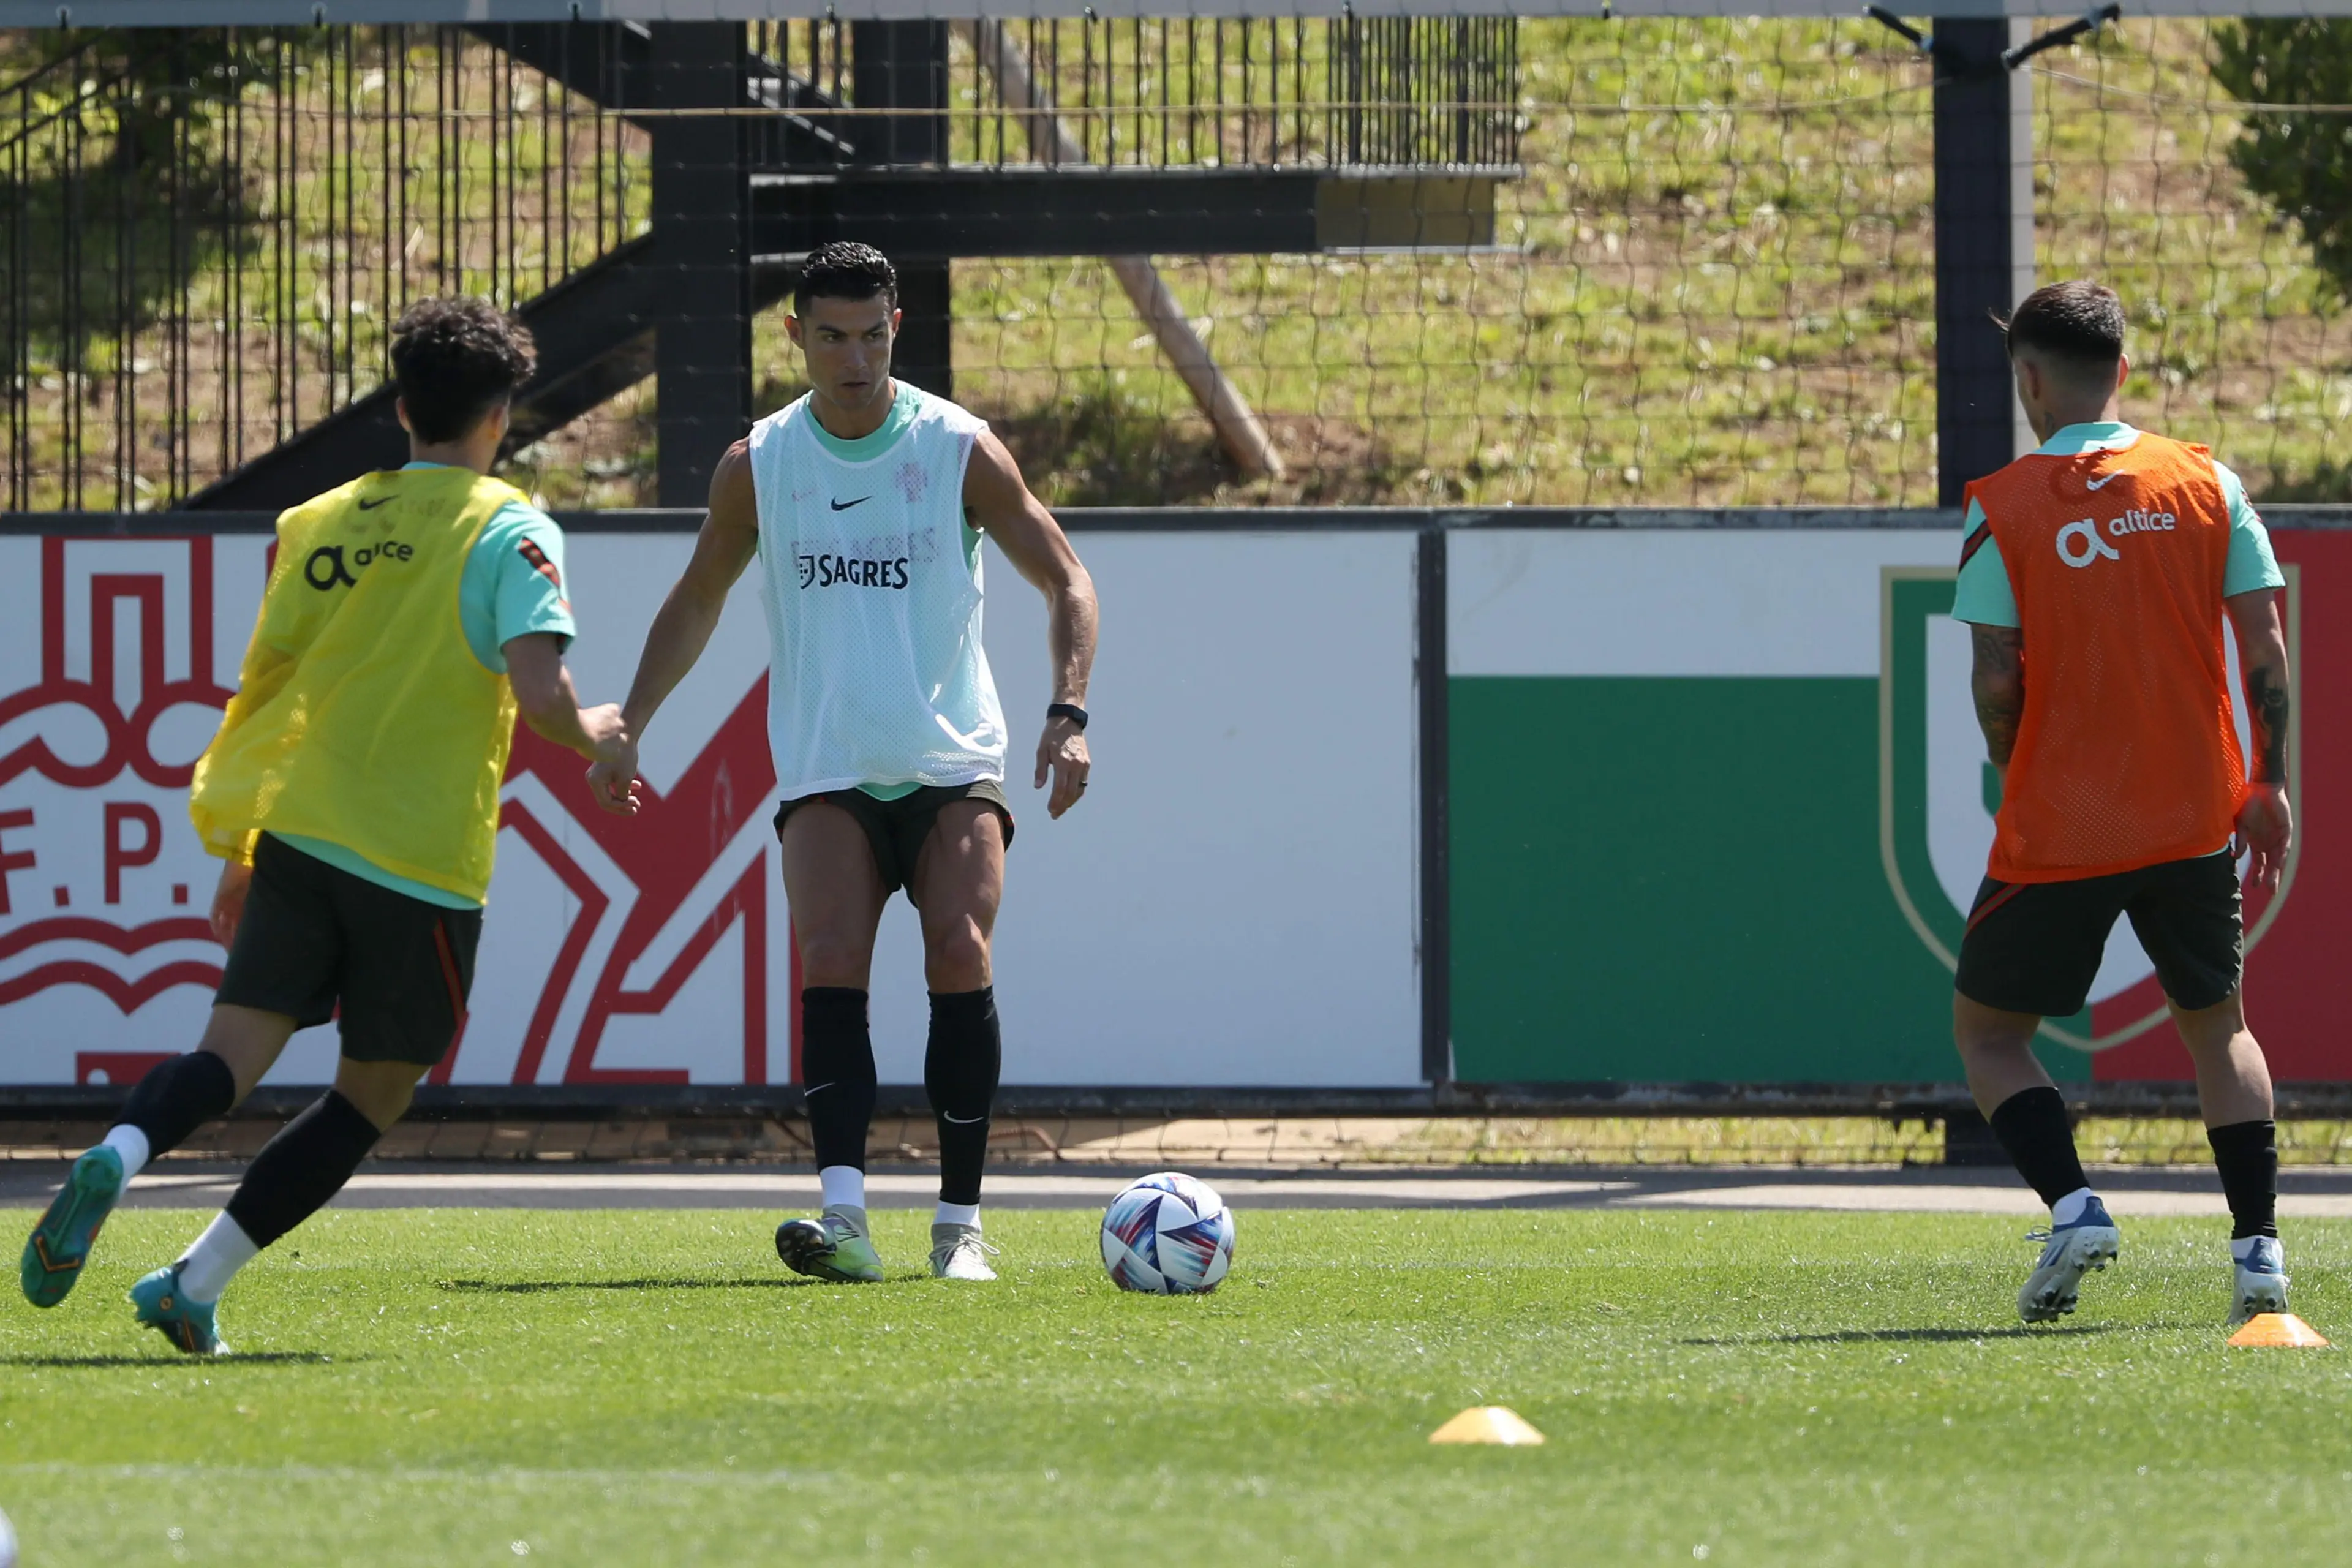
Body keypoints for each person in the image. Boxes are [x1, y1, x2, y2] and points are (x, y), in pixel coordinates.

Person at [20, 298, 635, 1354]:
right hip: (421, 859)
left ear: (401, 407)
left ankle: (123, 1150)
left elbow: (266, 694)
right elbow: (540, 699)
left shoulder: (316, 525)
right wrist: (601, 737)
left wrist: (240, 848)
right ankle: (195, 1279)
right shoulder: (509, 526)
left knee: (227, 1056)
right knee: (371, 1094)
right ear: (503, 418)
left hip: (299, 833)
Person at [590, 241, 1097, 1284]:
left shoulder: (957, 449)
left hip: (949, 756)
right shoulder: (760, 465)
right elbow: (697, 600)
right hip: (825, 764)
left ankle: (960, 1228)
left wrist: (1070, 709)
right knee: (830, 958)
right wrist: (632, 719)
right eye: (832, 336)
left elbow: (1069, 581)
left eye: (872, 336)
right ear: (796, 337)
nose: (854, 359)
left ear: (896, 328)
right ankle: (846, 1222)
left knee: (958, 950)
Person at [1950, 279, 2294, 1327]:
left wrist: (2015, 761)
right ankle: (2259, 1258)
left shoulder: (2000, 505)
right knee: (2219, 1027)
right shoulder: (2206, 481)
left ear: (2029, 379)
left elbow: (1997, 678)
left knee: (1990, 1033)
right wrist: (2269, 782)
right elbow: (2265, 646)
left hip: (2062, 820)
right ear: (2125, 373)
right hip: (2191, 811)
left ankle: (2075, 1207)